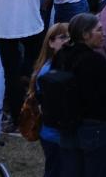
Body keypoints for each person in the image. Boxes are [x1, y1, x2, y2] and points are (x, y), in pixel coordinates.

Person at [48, 12, 106, 177]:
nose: (104, 34)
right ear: (85, 34)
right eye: (99, 30)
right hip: (94, 128)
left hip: (67, 126)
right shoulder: (95, 60)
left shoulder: (61, 56)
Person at [32, 23, 72, 177]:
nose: (67, 41)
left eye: (70, 37)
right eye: (62, 37)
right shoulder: (48, 72)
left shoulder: (67, 65)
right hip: (54, 135)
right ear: (50, 42)